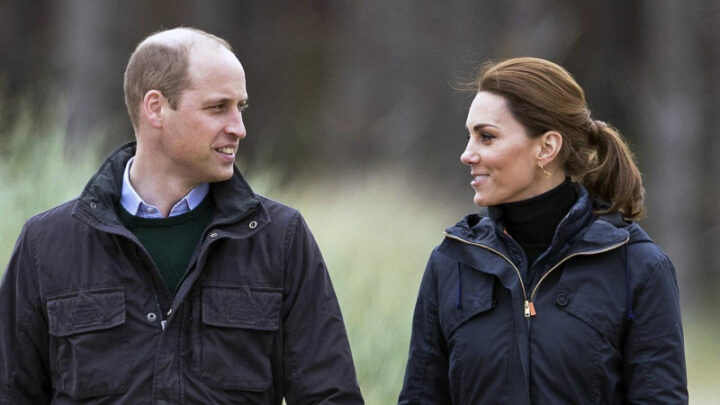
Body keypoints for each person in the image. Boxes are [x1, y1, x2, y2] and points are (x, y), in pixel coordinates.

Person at [0, 27, 363, 404]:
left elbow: (330, 396)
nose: (238, 128)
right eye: (217, 107)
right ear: (155, 107)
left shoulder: (280, 238)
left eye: (240, 107)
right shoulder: (46, 244)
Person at [399, 57, 687, 404]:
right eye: (469, 137)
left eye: (486, 137)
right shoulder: (450, 263)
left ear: (547, 147)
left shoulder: (638, 268)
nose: (467, 154)